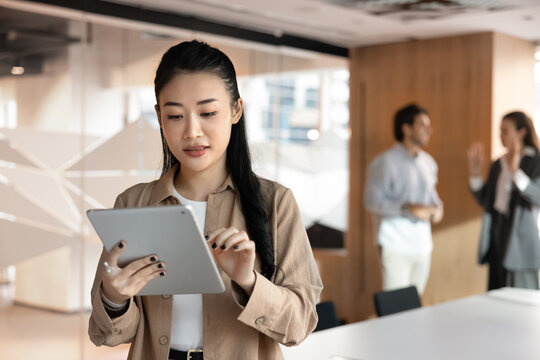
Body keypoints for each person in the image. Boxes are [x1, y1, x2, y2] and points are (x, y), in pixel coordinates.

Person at [88, 40, 322, 360]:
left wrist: (247, 280)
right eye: (175, 116)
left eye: (208, 112)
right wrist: (114, 297)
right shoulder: (133, 203)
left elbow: (301, 325)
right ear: (159, 116)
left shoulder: (275, 202)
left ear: (236, 110)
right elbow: (112, 334)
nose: (192, 132)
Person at [364, 104, 443, 295]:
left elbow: (435, 200)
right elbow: (371, 201)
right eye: (422, 125)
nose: (428, 130)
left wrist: (437, 211)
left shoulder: (428, 162)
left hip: (423, 245)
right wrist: (408, 208)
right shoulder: (385, 162)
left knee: (415, 306)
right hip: (395, 243)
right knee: (396, 308)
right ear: (406, 129)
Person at [468, 111, 540, 290]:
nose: (501, 136)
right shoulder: (498, 164)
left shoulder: (536, 162)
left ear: (522, 132)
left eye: (505, 131)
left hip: (521, 239)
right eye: (499, 131)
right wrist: (475, 174)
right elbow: (486, 200)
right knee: (497, 294)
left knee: (521, 301)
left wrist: (516, 172)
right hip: (497, 234)